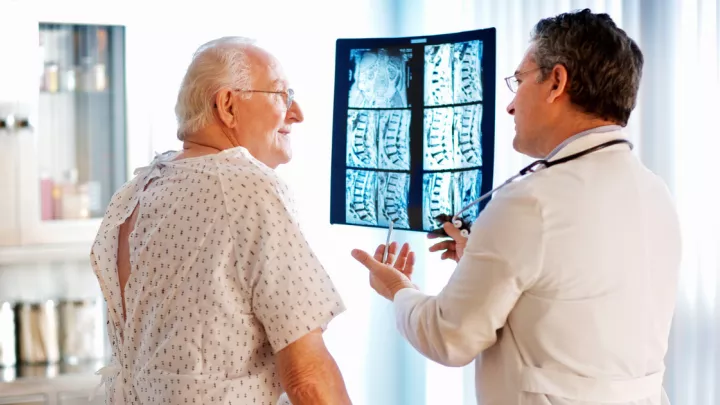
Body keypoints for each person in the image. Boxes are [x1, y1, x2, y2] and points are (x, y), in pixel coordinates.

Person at [352, 9, 680, 405]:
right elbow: (578, 311)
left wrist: (398, 289)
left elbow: (449, 338)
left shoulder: (530, 201)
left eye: (519, 81)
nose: (509, 106)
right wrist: (487, 262)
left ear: (556, 82)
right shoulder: (656, 193)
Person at [91, 36, 351, 405]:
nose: (297, 113)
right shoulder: (249, 188)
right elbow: (307, 377)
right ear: (228, 105)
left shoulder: (135, 193)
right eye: (281, 95)